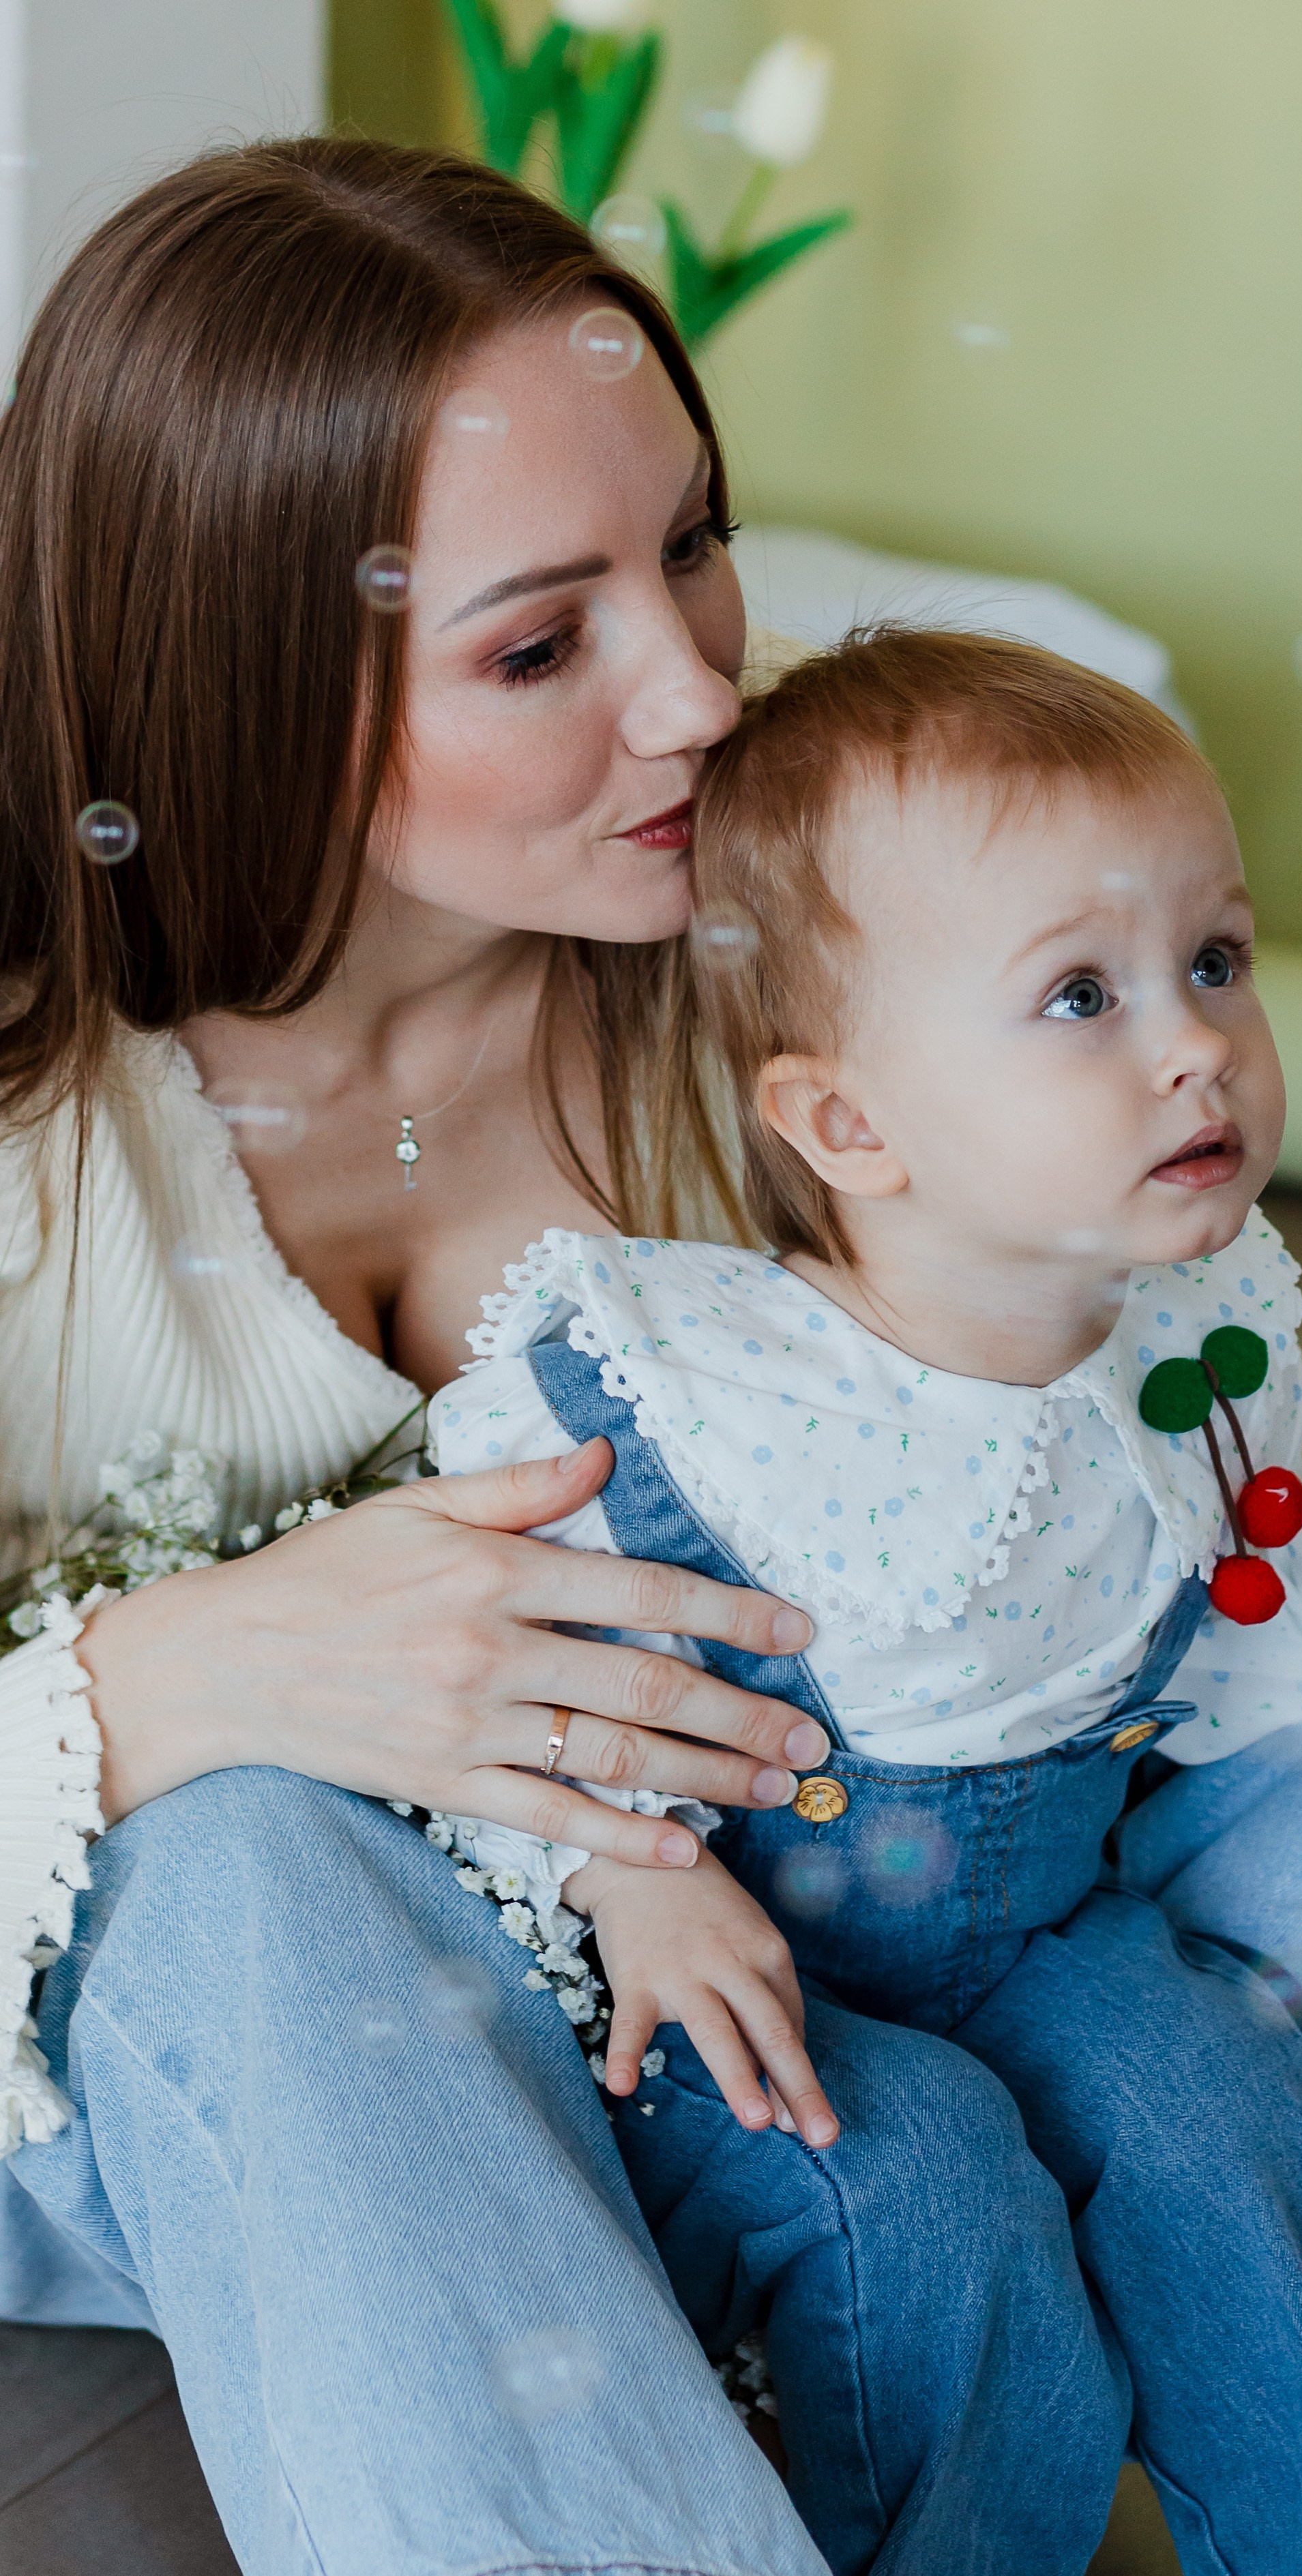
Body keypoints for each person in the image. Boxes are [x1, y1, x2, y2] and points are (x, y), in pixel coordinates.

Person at [0, 140, 1112, 2576]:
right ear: (247, 688)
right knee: (259, 1864)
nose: (703, 685)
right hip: (144, 2049)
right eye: (541, 644)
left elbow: (1103, 1379)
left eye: (696, 541)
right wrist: (176, 1680)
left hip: (685, 1962)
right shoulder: (31, 1128)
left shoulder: (784, 982)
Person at [427, 629, 1302, 2576]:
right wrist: (632, 1867)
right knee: (933, 2212)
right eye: (1080, 995)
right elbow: (506, 1642)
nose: (1194, 1041)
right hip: (739, 1972)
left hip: (1035, 1925)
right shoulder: (698, 1387)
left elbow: (1250, 1539)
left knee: (1217, 2126)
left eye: (1218, 961)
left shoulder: (1184, 1333)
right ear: (850, 1126)